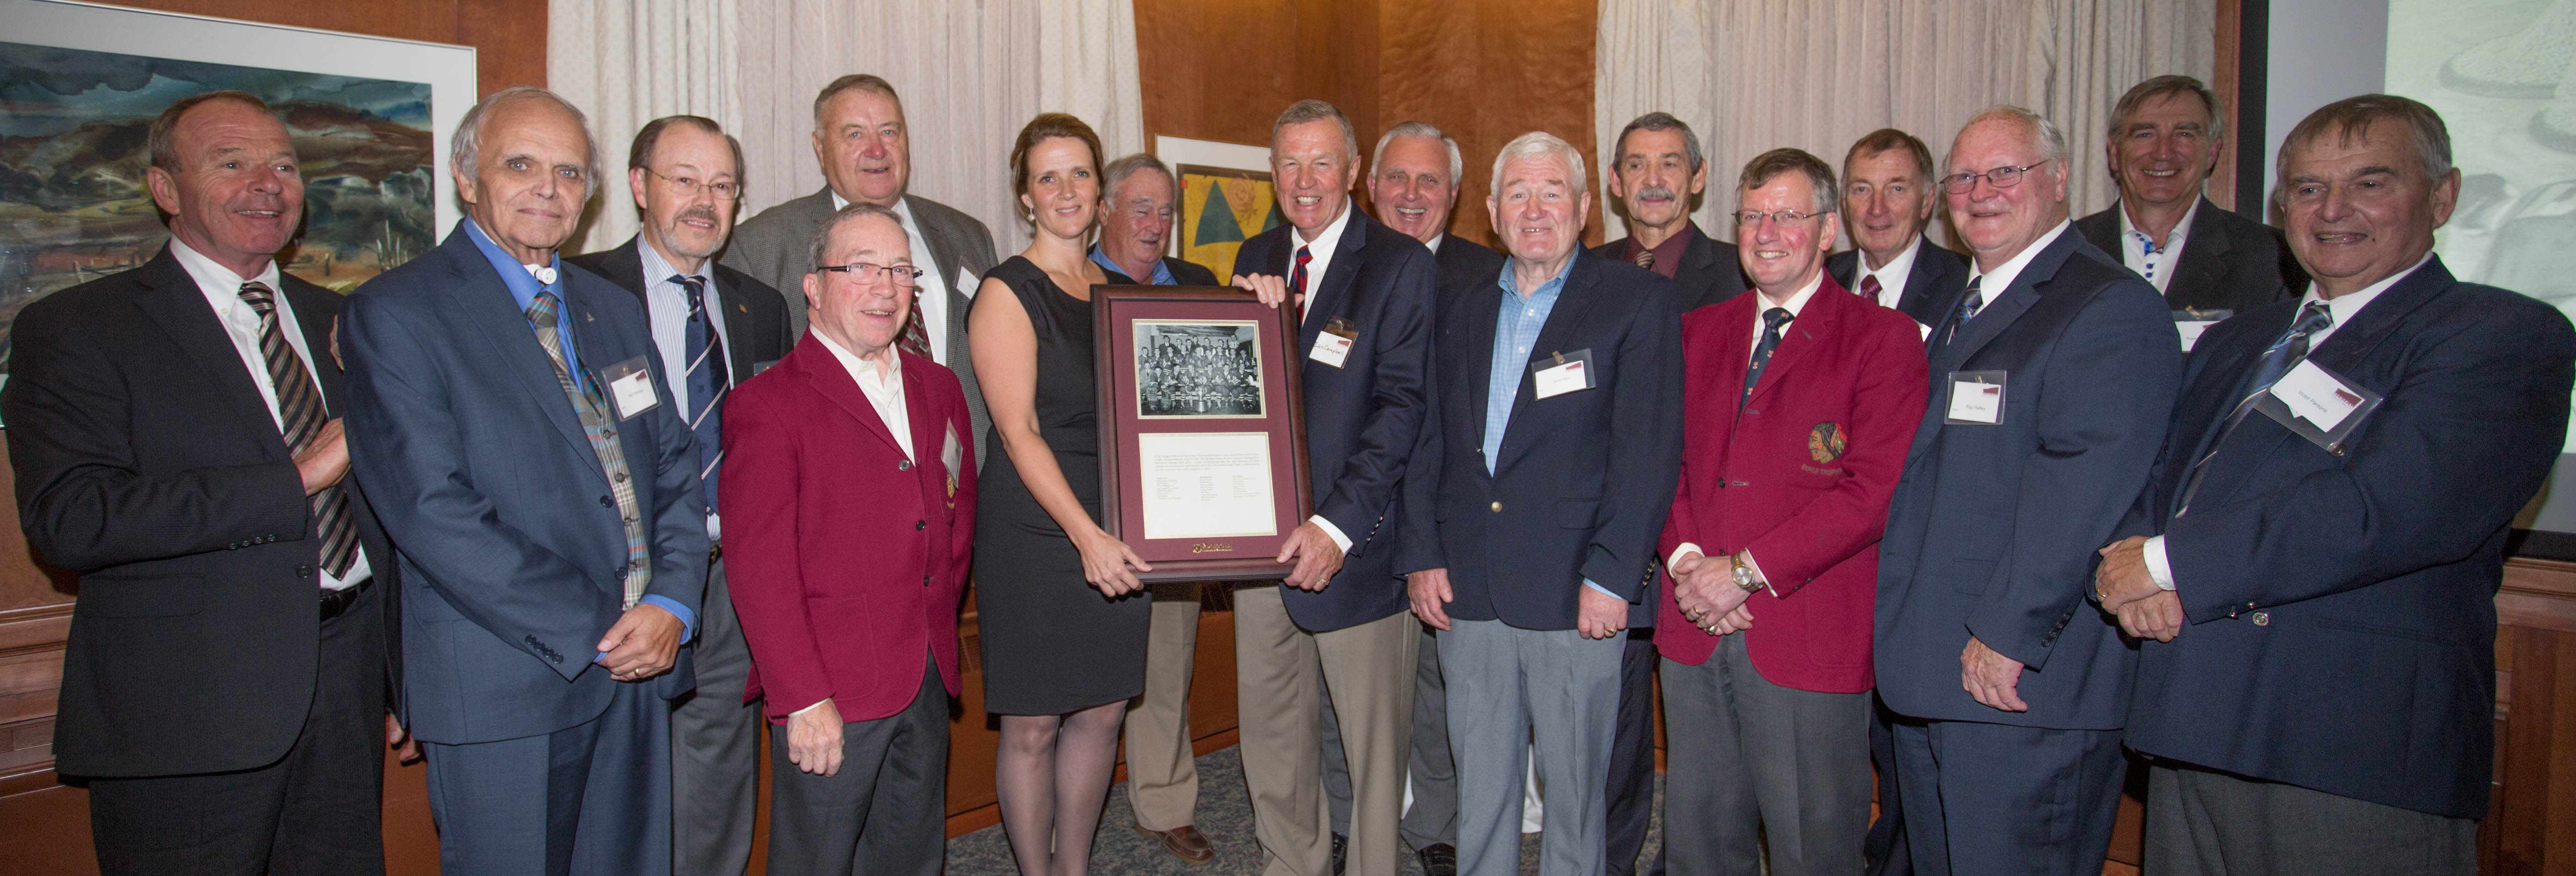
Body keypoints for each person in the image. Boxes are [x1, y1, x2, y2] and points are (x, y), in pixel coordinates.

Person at [2096, 95, 2576, 876]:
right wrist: (2133, 562)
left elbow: (2385, 509)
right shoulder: (2237, 342)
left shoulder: (2499, 337)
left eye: (2370, 184)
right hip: (2195, 724)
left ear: (2443, 195)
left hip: (2352, 748)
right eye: (2308, 189)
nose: (2332, 211)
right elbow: (2158, 472)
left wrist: (2166, 562)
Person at [6, 90, 399, 875]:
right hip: (188, 710)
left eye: (283, 165)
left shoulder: (349, 322)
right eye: (232, 163)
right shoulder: (79, 329)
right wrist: (296, 477)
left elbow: (389, 506)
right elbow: (72, 519)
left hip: (348, 685)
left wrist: (401, 673)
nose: (268, 183)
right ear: (164, 189)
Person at [342, 86, 705, 875]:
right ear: (465, 176)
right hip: (510, 677)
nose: (549, 187)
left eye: (570, 172)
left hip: (639, 671)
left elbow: (672, 465)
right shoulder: (397, 314)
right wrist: (610, 625)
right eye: (521, 164)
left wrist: (672, 601)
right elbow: (432, 512)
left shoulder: (611, 308)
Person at [1873, 105, 2180, 876]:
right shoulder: (1965, 304)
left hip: (2016, 683)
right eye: (1965, 178)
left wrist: (2010, 630)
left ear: (2059, 178)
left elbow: (2084, 483)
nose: (1981, 192)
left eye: (2004, 172)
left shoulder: (2104, 306)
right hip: (1935, 669)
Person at [1399, 131, 1683, 876]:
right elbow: (1430, 439)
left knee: (1575, 797)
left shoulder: (1636, 300)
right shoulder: (1457, 306)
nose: (1534, 209)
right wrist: (1423, 553)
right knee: (1481, 791)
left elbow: (1646, 453)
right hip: (1470, 586)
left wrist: (1616, 574)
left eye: (1552, 191)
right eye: (1517, 193)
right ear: (1491, 211)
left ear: (1585, 207)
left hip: (1576, 589)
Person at [1656, 148, 1928, 876]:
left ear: (1829, 229)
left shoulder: (1883, 338)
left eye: (1788, 215)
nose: (1767, 231)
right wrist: (1688, 565)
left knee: (1815, 849)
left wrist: (1742, 574)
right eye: (1752, 215)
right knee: (1698, 843)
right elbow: (1661, 465)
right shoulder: (1696, 331)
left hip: (1807, 634)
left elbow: (1870, 494)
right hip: (1694, 623)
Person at [721, 203, 978, 876]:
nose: (885, 287)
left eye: (899, 269)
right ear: (814, 286)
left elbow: (956, 517)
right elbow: (760, 568)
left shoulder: (941, 387)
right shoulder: (767, 405)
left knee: (911, 855)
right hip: (829, 693)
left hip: (924, 673)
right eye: (860, 267)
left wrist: (937, 635)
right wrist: (802, 696)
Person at [565, 114, 789, 876]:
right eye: (684, 180)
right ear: (637, 186)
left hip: (733, 577)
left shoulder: (761, 306)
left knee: (720, 775)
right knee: (613, 782)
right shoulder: (578, 291)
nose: (705, 201)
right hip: (620, 580)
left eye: (722, 185)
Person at [1226, 99, 1441, 876]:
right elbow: (1236, 400)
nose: (1304, 179)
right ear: (1272, 171)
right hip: (1259, 548)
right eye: (1289, 162)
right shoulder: (1253, 254)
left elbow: (1401, 410)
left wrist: (1334, 529)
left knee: (1370, 751)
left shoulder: (1402, 264)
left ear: (1352, 171)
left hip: (1352, 548)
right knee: (1273, 735)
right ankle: (1290, 862)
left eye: (1322, 162)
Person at [968, 112, 1145, 876]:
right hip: (1039, 530)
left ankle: (1072, 868)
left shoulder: (1120, 290)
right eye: (1048, 177)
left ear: (1100, 192)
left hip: (1119, 519)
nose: (1065, 190)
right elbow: (1017, 433)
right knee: (1035, 724)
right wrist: (1088, 537)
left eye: (1079, 173)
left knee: (1104, 711)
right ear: (1026, 197)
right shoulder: (1007, 292)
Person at [1317, 119, 1494, 876]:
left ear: (1454, 196)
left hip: (1444, 521)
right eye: (1398, 178)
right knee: (1339, 694)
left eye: (1430, 182)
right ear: (1370, 183)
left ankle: (1438, 828)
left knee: (1435, 692)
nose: (1412, 195)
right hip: (1349, 522)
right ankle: (1345, 822)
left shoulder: (1488, 277)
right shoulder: (1336, 267)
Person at [724, 74, 1000, 466]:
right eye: (855, 134)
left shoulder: (968, 237)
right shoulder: (762, 246)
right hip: (839, 489)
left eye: (890, 132)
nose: (876, 150)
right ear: (820, 148)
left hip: (969, 488)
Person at [1090, 151, 1224, 866]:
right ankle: (1062, 802)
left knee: (1167, 657)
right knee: (1077, 670)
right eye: (1140, 207)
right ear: (1105, 210)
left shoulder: (1204, 286)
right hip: (1091, 516)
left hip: (1179, 510)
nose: (1155, 223)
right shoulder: (1070, 283)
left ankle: (1165, 800)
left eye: (1166, 210)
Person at [2073, 75, 2304, 315]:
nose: (2163, 153)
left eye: (2184, 134)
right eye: (2145, 134)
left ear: (2213, 153)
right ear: (2114, 152)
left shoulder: (2272, 257)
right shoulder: (2066, 250)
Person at [1591, 112, 1749, 312]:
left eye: (1669, 165)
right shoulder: (1583, 271)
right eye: (1637, 166)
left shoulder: (1742, 275)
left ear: (1698, 177)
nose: (1653, 180)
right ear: (1616, 181)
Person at [1828, 128, 1972, 329]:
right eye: (1862, 190)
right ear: (1845, 203)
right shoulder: (1820, 278)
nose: (1877, 209)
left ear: (1927, 201)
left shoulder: (1964, 287)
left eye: (1897, 189)